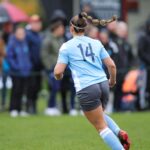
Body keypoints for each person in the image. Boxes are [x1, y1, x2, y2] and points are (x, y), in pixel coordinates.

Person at [54, 12, 130, 150]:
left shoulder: (66, 46)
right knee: (100, 114)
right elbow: (111, 65)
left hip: (87, 87)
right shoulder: (96, 42)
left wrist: (58, 77)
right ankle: (118, 132)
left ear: (71, 28)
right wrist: (112, 81)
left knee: (101, 127)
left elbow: (58, 71)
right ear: (85, 28)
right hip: (103, 84)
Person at [7, 25, 32, 117]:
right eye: (19, 33)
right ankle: (13, 108)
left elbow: (27, 56)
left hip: (25, 72)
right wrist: (16, 67)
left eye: (23, 33)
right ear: (15, 34)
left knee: (23, 90)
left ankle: (20, 109)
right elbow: (10, 57)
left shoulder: (25, 43)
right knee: (16, 90)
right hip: (16, 72)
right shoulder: (12, 43)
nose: (22, 35)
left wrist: (29, 66)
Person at [26, 14, 43, 114]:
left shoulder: (40, 35)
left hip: (39, 66)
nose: (38, 25)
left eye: (39, 23)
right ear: (31, 24)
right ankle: (29, 107)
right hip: (31, 66)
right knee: (30, 87)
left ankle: (34, 106)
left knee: (37, 87)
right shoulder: (28, 35)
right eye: (35, 23)